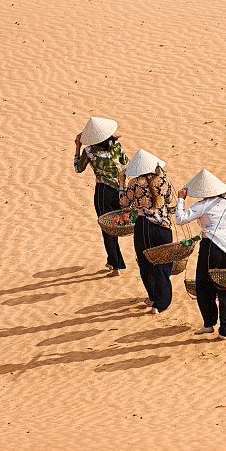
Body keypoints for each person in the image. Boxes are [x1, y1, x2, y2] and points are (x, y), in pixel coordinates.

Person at [175, 169, 226, 340]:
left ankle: (209, 322)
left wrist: (180, 200)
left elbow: (180, 219)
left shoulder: (203, 205)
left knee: (204, 285)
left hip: (211, 247)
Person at [118, 149, 177, 314]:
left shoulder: (134, 183)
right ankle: (160, 303)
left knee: (145, 262)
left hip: (144, 227)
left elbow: (123, 203)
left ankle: (153, 297)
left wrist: (122, 182)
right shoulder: (164, 180)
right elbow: (169, 200)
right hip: (163, 226)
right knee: (163, 263)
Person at [74, 117, 128, 277]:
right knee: (115, 226)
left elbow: (78, 169)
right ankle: (114, 261)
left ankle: (115, 265)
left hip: (103, 191)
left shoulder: (89, 151)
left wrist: (78, 147)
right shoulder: (116, 145)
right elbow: (125, 161)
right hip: (119, 190)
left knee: (107, 228)